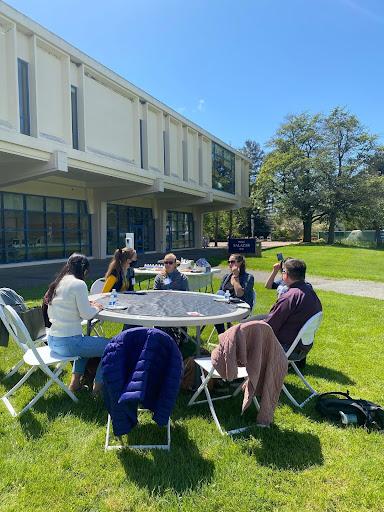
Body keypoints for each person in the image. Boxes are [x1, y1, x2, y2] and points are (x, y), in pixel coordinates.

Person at [46, 253, 109, 395]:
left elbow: (67, 306)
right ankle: (97, 390)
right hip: (69, 343)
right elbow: (87, 314)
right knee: (112, 346)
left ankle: (74, 385)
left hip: (53, 340)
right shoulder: (79, 284)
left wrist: (88, 304)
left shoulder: (58, 283)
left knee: (86, 346)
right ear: (84, 270)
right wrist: (97, 307)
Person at [263, 258, 322, 357]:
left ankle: (242, 372)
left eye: (283, 271)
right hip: (302, 346)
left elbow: (269, 326)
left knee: (242, 346)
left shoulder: (289, 297)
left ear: (285, 274)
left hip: (287, 348)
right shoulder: (310, 291)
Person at [216, 254, 255, 334]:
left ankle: (226, 338)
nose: (230, 264)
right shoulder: (227, 277)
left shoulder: (248, 278)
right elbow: (219, 295)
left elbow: (240, 294)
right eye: (229, 262)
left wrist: (236, 277)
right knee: (216, 311)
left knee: (217, 312)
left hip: (241, 308)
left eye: (232, 262)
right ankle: (223, 336)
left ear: (240, 263)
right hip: (225, 306)